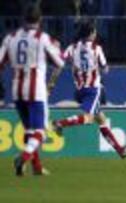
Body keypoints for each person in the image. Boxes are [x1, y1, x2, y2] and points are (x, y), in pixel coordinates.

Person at [0, 4, 65, 176]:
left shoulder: (10, 38)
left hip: (17, 90)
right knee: (41, 132)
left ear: (23, 19)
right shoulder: (42, 38)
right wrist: (57, 48)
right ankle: (23, 157)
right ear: (40, 19)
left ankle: (36, 168)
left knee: (29, 130)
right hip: (36, 91)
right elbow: (60, 62)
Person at [52, 20, 125, 158]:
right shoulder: (97, 48)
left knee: (101, 119)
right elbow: (106, 69)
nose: (96, 34)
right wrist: (100, 68)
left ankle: (120, 150)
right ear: (91, 34)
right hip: (93, 89)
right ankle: (60, 123)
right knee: (89, 118)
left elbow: (59, 65)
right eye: (95, 31)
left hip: (79, 91)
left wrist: (51, 84)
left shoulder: (71, 48)